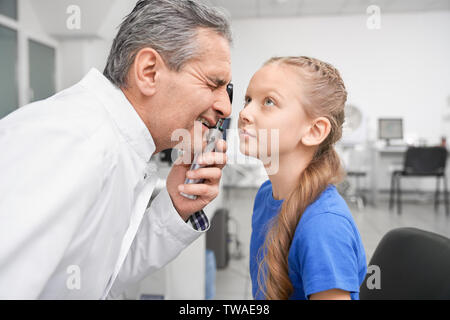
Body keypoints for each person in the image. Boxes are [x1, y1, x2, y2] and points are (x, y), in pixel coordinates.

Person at [0, 0, 232, 299]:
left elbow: (99, 275)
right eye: (213, 84)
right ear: (149, 72)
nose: (225, 107)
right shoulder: (72, 139)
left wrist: (175, 207)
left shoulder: (119, 147)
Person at [239, 56, 367, 300]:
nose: (244, 113)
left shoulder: (324, 227)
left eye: (268, 101)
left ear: (314, 131)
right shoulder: (267, 194)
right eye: (247, 100)